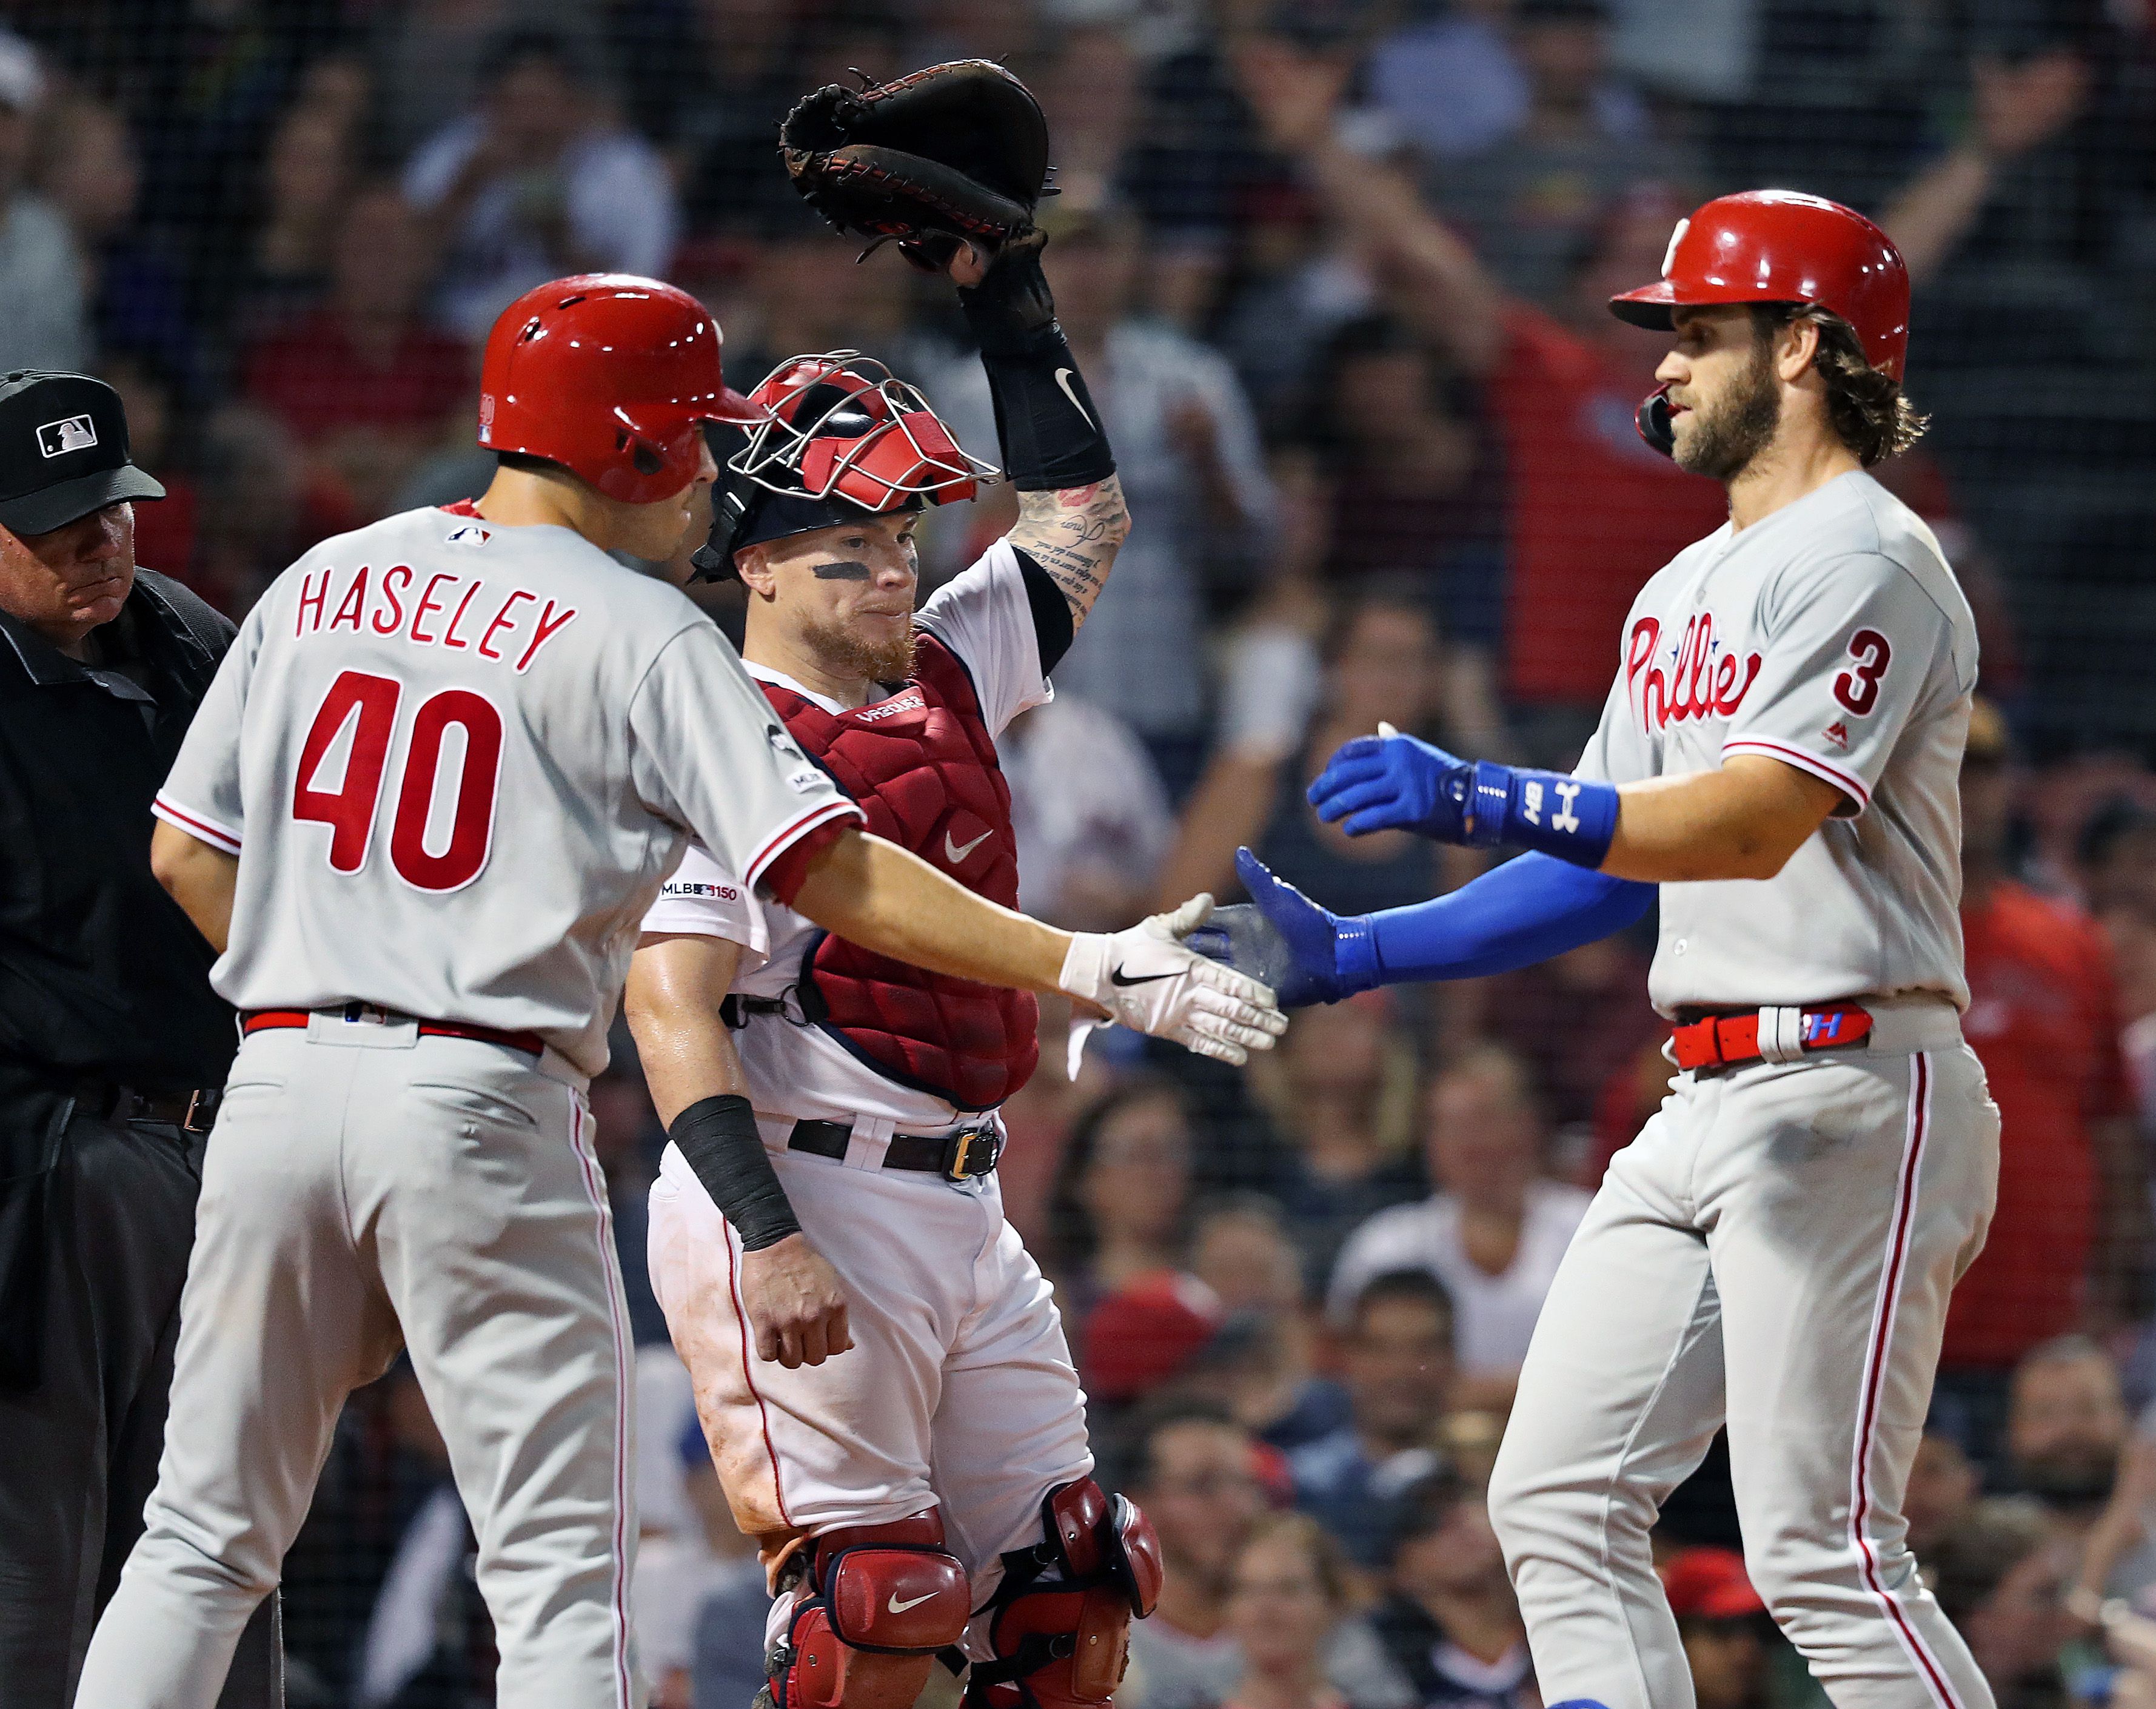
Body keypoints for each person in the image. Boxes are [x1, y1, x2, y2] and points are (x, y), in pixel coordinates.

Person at [75, 273, 1281, 1708]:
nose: (710, 467)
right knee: (558, 1578)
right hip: (487, 1088)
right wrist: (1087, 964)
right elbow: (831, 874)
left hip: (276, 1077)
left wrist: (326, 1003)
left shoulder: (329, 571)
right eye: (696, 434)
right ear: (637, 445)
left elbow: (183, 853)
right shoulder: (638, 628)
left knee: (200, 1536)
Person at [1212, 191, 2000, 1706]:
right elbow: (1603, 869)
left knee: (1823, 1549)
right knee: (1553, 1497)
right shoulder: (1679, 586)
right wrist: (1368, 950)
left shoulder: (1872, 554)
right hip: (1700, 1099)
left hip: (1852, 1086)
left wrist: (1480, 788)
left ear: (1808, 348)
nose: (1665, 366)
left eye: (1701, 333)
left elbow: (1752, 818)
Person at [630, 219, 1250, 1709]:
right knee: (875, 1617)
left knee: (1076, 1592)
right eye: (855, 554)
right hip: (805, 1189)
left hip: (967, 1195)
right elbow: (670, 1005)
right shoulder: (708, 729)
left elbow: (1084, 518)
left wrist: (1007, 295)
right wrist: (766, 1235)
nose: (897, 576)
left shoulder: (950, 662)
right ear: (760, 565)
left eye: (906, 543)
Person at [0, 371, 277, 1704]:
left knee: (220, 1556)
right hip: (48, 1177)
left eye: (110, 510)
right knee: (33, 1581)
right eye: (57, 525)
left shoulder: (180, 632)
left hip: (220, 1152)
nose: (98, 544)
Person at [1938, 700, 2148, 1460]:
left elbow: (2112, 1127)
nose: (1966, 788)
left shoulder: (2069, 941)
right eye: (1948, 765)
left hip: (2043, 1332)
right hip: (1889, 1326)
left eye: (1984, 769)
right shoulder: (1856, 937)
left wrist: (2115, 1290)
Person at [1327, 1049, 1589, 1411]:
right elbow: (1350, 1371)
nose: (1468, 1141)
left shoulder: (1589, 1227)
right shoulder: (1388, 1245)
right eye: (1449, 1125)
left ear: (1528, 1124)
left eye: (1484, 1119)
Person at [1287, 1271, 1454, 1567]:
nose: (1401, 1370)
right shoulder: (1299, 1485)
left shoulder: (1491, 1481)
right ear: (1348, 1358)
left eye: (1423, 1349)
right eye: (1380, 1349)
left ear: (1452, 1357)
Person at [1368, 1471, 1536, 1709]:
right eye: (1425, 1522)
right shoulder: (1385, 1662)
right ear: (1397, 1570)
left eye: (1462, 1499)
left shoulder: (1561, 1614)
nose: (1456, 1520)